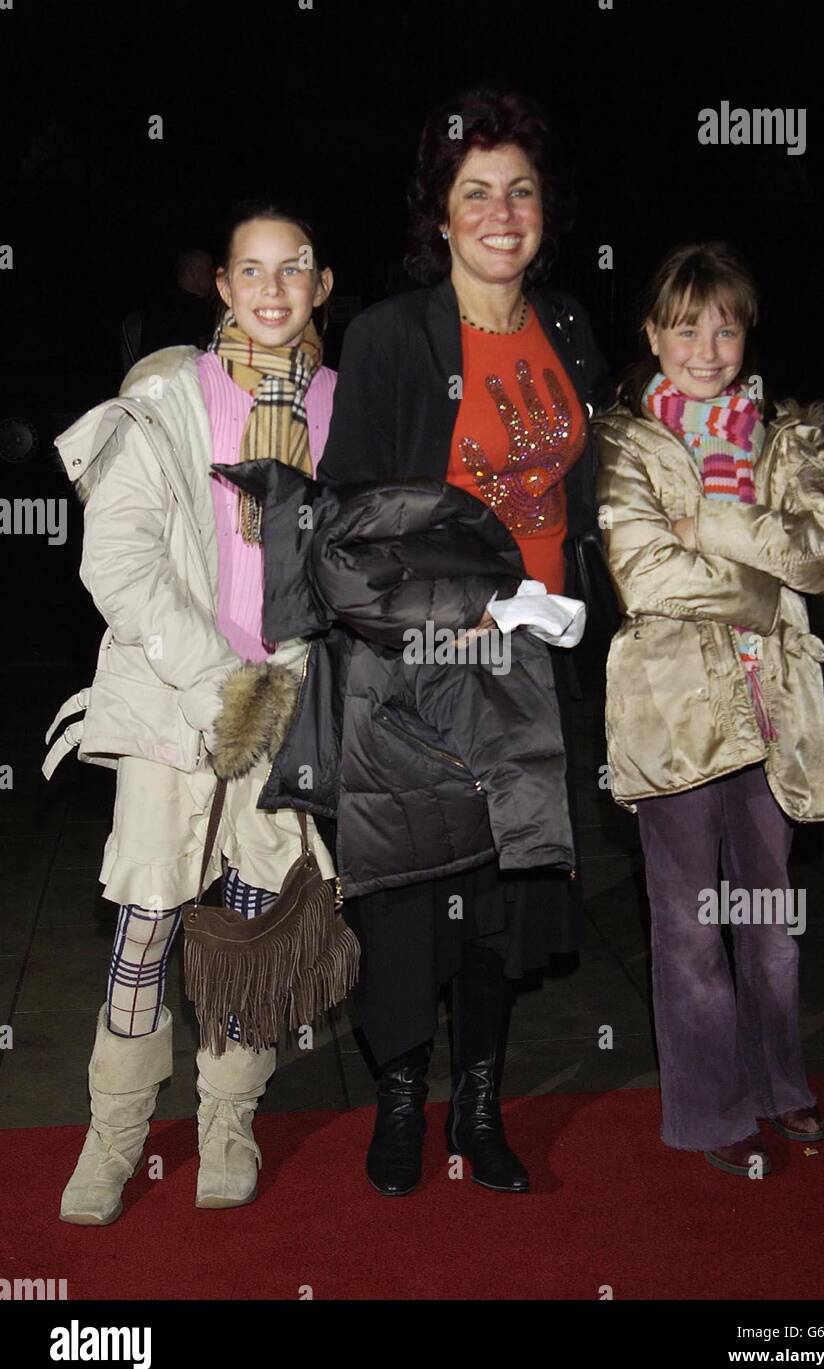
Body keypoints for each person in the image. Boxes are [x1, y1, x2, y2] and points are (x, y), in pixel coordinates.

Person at [309, 87, 611, 1196]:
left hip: (534, 668)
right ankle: (399, 1103)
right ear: (438, 213)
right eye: (474, 191)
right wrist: (458, 618)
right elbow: (348, 526)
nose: (500, 211)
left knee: (501, 900)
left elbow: (588, 494)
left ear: (545, 209)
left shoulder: (569, 323)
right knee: (404, 900)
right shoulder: (393, 336)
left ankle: (478, 1109)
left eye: (520, 190)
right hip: (422, 669)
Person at [45, 201, 337, 1224]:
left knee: (251, 928)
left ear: (319, 286)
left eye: (290, 269)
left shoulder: (342, 407)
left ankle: (227, 1118)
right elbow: (115, 558)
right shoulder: (167, 393)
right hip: (175, 699)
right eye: (249, 270)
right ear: (220, 285)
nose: (269, 289)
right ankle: (113, 1136)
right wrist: (224, 680)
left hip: (288, 705)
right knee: (146, 925)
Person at [596, 242, 824, 1177]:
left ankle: (780, 1083)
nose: (706, 347)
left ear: (745, 332)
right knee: (691, 932)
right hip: (672, 717)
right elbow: (641, 574)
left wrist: (706, 521)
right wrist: (762, 582)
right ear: (652, 334)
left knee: (771, 926)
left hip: (775, 710)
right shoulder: (624, 439)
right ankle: (709, 1111)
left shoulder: (791, 432)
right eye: (685, 326)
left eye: (725, 325)